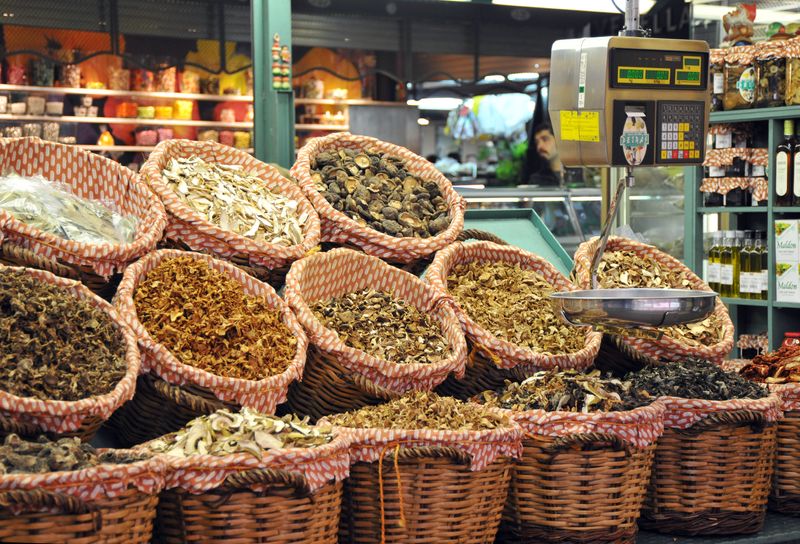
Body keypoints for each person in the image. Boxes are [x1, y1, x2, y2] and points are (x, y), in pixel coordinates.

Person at [528, 122, 583, 187]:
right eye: (537, 142)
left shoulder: (580, 174)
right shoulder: (537, 180)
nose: (539, 146)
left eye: (545, 139)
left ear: (559, 141)